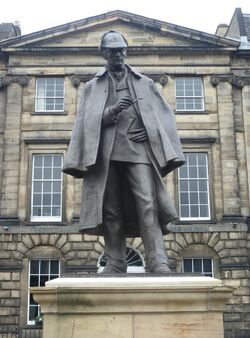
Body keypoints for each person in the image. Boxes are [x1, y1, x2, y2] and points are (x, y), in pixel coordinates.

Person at [62, 31, 185, 273]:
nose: (118, 54)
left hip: (137, 152)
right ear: (104, 53)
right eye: (112, 50)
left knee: (148, 203)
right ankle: (116, 261)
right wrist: (112, 111)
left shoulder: (145, 83)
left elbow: (165, 119)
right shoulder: (91, 87)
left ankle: (158, 260)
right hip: (105, 155)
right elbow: (86, 122)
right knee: (110, 208)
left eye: (121, 50)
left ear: (126, 51)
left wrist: (149, 134)